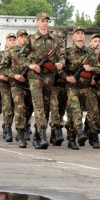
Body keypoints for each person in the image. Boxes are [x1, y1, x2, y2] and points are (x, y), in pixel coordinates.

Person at [19, 12, 65, 149]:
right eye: (42, 20)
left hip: (49, 76)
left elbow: (62, 56)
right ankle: (43, 134)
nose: (45, 23)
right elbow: (22, 56)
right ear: (37, 22)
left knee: (45, 107)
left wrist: (60, 63)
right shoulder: (31, 39)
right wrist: (31, 65)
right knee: (38, 105)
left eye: (46, 21)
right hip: (35, 76)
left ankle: (38, 134)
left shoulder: (54, 40)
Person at [62, 26, 100, 150]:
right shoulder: (67, 52)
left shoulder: (90, 52)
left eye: (82, 33)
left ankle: (93, 134)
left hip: (87, 87)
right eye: (77, 33)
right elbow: (60, 68)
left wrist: (91, 69)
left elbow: (98, 68)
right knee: (75, 111)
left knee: (94, 111)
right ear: (73, 37)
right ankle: (75, 136)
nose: (80, 35)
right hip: (73, 87)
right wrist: (67, 77)